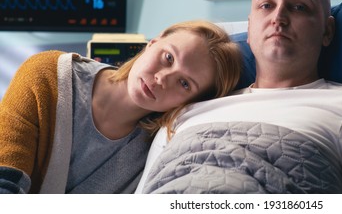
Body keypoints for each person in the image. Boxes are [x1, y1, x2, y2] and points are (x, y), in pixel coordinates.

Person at [136, 0, 342, 194]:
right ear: (250, 26)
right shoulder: (187, 112)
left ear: (327, 31)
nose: (279, 17)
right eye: (266, 5)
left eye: (299, 7)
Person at [0, 20, 243, 194]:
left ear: (190, 102)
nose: (162, 79)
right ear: (153, 43)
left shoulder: (154, 151)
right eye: (168, 57)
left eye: (184, 83)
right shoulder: (46, 76)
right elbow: (5, 179)